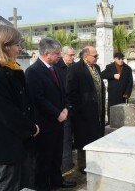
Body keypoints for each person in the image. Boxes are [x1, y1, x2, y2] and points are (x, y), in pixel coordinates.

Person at [0, 24, 39, 190]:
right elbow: (7, 113)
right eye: (17, 44)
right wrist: (31, 127)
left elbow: (26, 103)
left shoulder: (13, 70)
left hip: (24, 139)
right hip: (8, 142)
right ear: (4, 46)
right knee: (9, 184)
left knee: (26, 183)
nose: (20, 48)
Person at [25, 37, 76, 190]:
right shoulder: (33, 72)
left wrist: (66, 108)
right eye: (57, 54)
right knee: (44, 159)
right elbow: (38, 99)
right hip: (45, 124)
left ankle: (56, 181)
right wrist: (57, 114)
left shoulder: (56, 68)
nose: (60, 56)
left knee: (56, 156)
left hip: (59, 122)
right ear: (47, 54)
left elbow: (64, 92)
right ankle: (42, 186)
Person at [66, 46, 105, 174]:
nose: (97, 58)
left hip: (97, 109)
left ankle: (96, 162)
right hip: (83, 112)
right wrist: (79, 109)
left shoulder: (97, 68)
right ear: (85, 56)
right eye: (95, 56)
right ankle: (82, 166)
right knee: (84, 139)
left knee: (96, 135)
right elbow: (71, 92)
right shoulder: (75, 69)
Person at [55, 45, 75, 172]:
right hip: (62, 110)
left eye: (74, 55)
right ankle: (63, 167)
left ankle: (69, 164)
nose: (73, 58)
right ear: (63, 55)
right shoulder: (57, 68)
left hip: (72, 107)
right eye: (70, 55)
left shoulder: (74, 67)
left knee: (70, 139)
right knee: (63, 141)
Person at [101, 52, 133, 123]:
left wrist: (127, 93)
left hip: (123, 94)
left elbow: (130, 82)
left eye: (122, 58)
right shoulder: (109, 67)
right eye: (119, 58)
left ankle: (122, 123)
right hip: (112, 93)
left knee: (122, 111)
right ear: (115, 59)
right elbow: (102, 74)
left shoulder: (128, 68)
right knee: (112, 110)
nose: (121, 60)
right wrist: (113, 76)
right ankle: (111, 123)